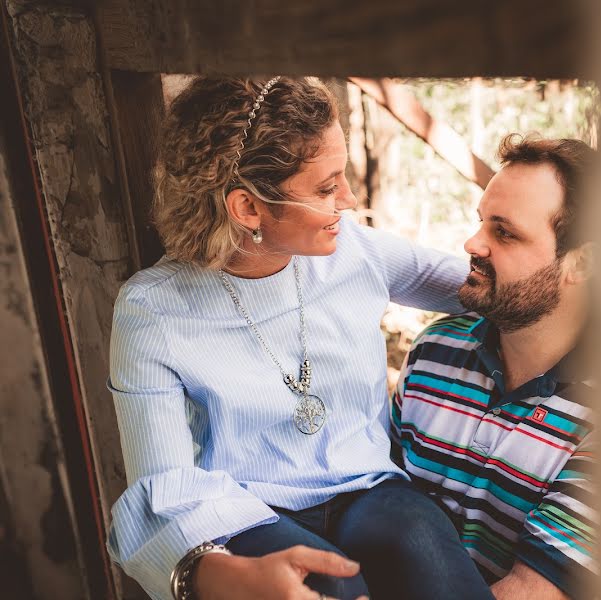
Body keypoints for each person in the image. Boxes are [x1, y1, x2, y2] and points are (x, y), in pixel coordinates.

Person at [106, 76, 495, 600]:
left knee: (423, 541)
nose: (351, 200)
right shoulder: (152, 311)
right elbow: (164, 489)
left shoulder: (356, 250)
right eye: (326, 187)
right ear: (248, 209)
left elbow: (480, 288)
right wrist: (224, 577)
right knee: (334, 583)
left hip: (367, 490)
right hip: (244, 511)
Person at [391, 134, 597, 599]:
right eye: (481, 222)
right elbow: (372, 502)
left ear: (582, 262)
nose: (472, 243)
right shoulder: (434, 351)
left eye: (504, 232)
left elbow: (533, 592)